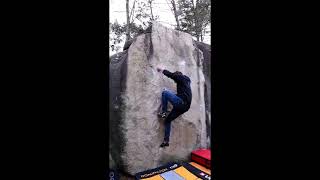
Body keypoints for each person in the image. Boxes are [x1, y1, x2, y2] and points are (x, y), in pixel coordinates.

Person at [156, 67, 192, 148]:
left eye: (175, 80)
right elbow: (178, 96)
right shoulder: (186, 84)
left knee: (165, 93)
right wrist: (171, 94)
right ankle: (166, 141)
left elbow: (172, 75)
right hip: (184, 106)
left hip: (182, 103)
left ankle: (164, 112)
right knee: (167, 121)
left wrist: (162, 70)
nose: (175, 82)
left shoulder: (181, 78)